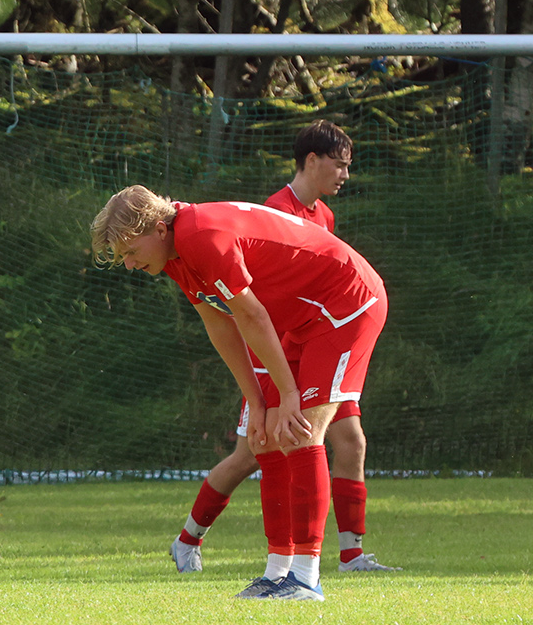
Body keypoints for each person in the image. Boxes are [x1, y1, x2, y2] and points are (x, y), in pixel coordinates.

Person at [94, 185, 389, 601]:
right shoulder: (176, 253)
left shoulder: (201, 237)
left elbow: (251, 314)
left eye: (130, 251)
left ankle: (306, 579)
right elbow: (221, 325)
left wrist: (288, 396)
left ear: (159, 229)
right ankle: (277, 573)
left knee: (302, 432)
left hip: (345, 304)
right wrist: (256, 401)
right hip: (302, 319)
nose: (128, 265)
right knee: (266, 438)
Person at [169, 121, 397, 574]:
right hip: (274, 347)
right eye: (339, 164)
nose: (345, 175)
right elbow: (252, 310)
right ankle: (190, 539)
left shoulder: (324, 216)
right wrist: (269, 391)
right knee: (255, 450)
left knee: (348, 440)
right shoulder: (278, 209)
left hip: (319, 333)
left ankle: (341, 556)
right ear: (311, 161)